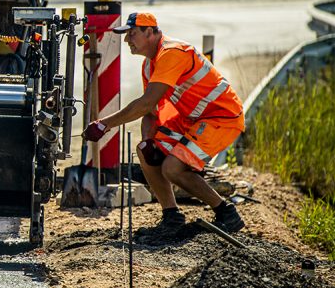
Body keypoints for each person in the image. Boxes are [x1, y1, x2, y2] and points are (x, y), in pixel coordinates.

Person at [83, 12, 246, 232]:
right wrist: (148, 141)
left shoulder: (172, 53)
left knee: (172, 168)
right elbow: (151, 112)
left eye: (132, 34)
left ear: (149, 32)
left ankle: (227, 213)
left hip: (222, 117)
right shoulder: (149, 65)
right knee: (145, 152)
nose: (127, 40)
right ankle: (171, 216)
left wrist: (104, 124)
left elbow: (145, 103)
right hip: (192, 118)